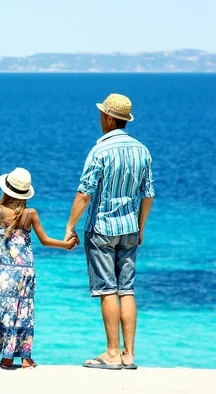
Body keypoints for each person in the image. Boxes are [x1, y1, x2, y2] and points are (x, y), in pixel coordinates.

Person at [65, 94, 155, 370]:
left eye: (102, 114)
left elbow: (84, 194)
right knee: (127, 290)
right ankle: (129, 355)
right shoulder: (142, 150)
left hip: (102, 229)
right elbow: (148, 194)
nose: (100, 118)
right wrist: (141, 227)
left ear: (108, 118)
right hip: (130, 228)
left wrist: (70, 226)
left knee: (107, 290)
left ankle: (112, 353)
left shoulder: (99, 151)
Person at [0, 167, 76, 369]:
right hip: (26, 271)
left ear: (7, 190)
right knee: (23, 310)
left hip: (6, 272)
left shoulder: (1, 210)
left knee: (5, 310)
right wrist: (66, 244)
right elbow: (45, 240)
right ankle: (25, 357)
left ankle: (7, 357)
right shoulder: (30, 214)